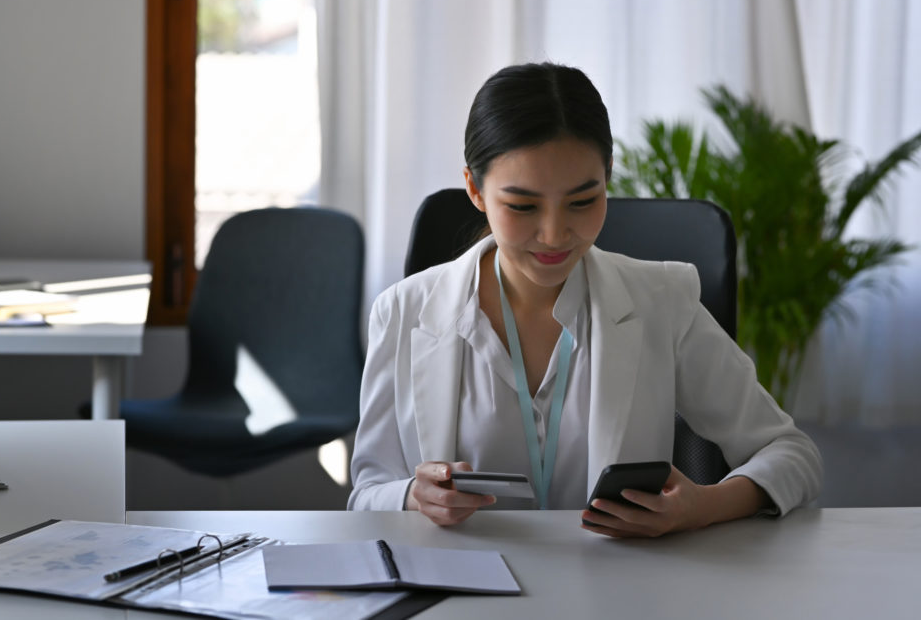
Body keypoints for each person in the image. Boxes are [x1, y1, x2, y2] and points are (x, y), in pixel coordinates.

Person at [348, 62, 822, 537]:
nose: (555, 234)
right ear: (475, 189)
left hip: (616, 593)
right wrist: (412, 495)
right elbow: (367, 494)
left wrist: (703, 505)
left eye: (582, 201)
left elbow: (792, 454)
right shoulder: (403, 312)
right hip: (464, 593)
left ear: (608, 177)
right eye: (522, 206)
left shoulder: (662, 301)